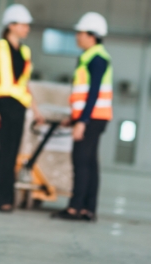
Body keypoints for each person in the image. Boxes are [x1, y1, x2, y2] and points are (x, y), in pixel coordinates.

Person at [53, 12, 112, 222]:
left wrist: (83, 122)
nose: (77, 36)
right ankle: (88, 208)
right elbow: (85, 93)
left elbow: (94, 93)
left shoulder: (96, 59)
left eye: (81, 33)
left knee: (81, 161)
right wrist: (74, 117)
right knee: (89, 162)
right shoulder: (91, 57)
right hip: (94, 117)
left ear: (92, 35)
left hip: (92, 118)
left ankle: (75, 208)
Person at [0, 4, 44, 212]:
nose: (27, 29)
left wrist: (36, 110)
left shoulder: (26, 51)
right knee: (7, 152)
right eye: (24, 25)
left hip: (20, 105)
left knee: (9, 152)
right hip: (4, 102)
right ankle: (3, 199)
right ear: (11, 25)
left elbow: (25, 83)